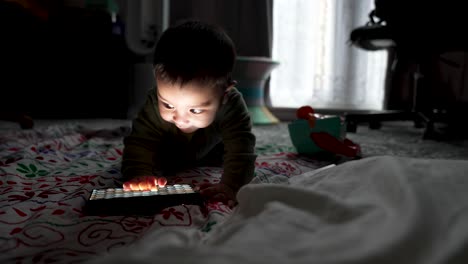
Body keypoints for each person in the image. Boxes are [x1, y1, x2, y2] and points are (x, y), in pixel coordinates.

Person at [121, 20, 257, 207]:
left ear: (224, 95)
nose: (180, 118)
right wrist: (139, 173)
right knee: (154, 154)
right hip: (166, 151)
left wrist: (231, 186)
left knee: (224, 155)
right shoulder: (153, 101)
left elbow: (241, 149)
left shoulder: (232, 105)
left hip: (211, 151)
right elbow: (140, 142)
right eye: (168, 105)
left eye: (195, 109)